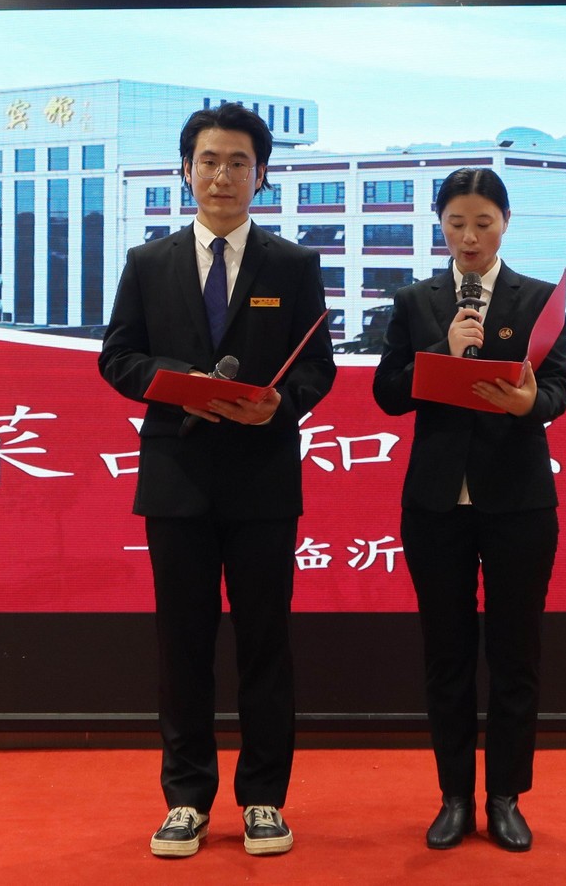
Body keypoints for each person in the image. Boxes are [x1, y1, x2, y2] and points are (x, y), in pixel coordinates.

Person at [98, 102, 336, 859]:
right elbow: (117, 358)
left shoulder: (292, 266)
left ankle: (264, 797)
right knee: (183, 644)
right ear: (186, 170)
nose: (222, 175)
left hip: (263, 480)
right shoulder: (149, 263)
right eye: (208, 160)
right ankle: (186, 798)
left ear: (261, 175)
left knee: (265, 642)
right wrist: (179, 384)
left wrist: (280, 403)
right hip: (178, 478)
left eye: (238, 162)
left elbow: (318, 367)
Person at [371, 167, 566, 854]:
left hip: (518, 500)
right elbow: (388, 392)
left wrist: (529, 401)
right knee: (447, 652)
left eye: (482, 223)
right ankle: (454, 796)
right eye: (456, 223)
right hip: (436, 504)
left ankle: (506, 795)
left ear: (505, 223)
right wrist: (443, 353)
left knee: (516, 652)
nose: (469, 237)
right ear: (441, 225)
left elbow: (559, 388)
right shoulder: (416, 300)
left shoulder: (539, 298)